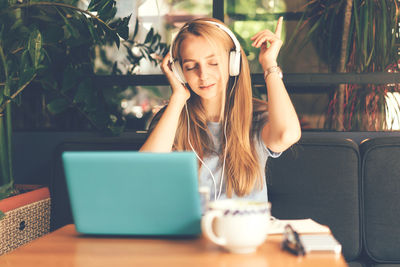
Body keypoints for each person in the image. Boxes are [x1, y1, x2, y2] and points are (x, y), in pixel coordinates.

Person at [140, 17, 301, 202]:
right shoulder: (172, 118)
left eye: (213, 63)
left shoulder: (257, 117)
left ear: (233, 62)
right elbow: (146, 171)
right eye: (191, 67)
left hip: (243, 229)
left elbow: (287, 134)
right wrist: (178, 98)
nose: (203, 75)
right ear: (179, 72)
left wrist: (269, 64)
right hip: (190, 230)